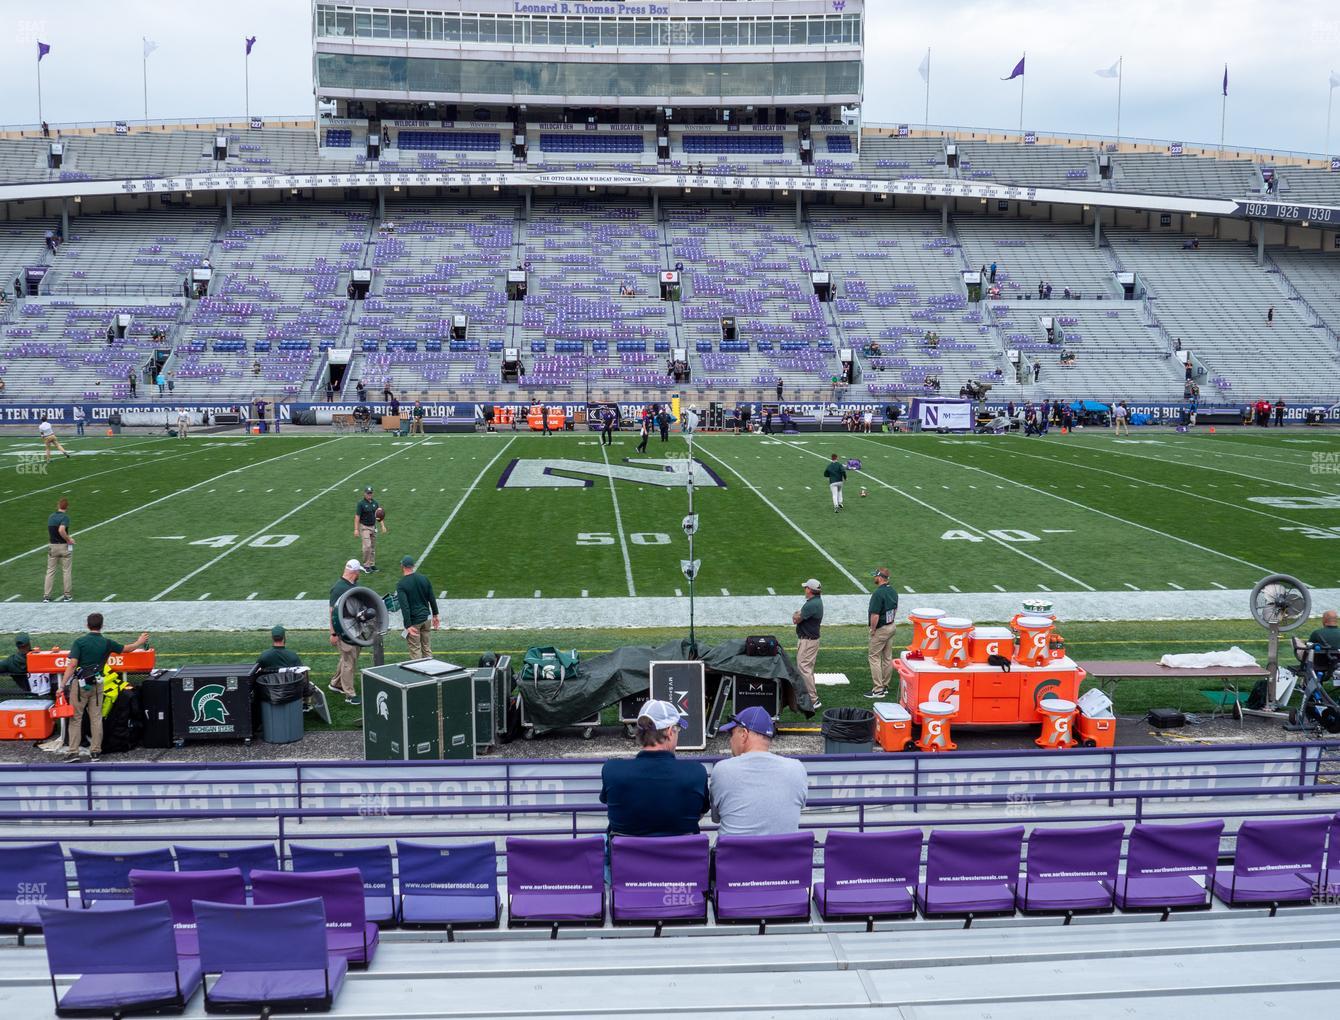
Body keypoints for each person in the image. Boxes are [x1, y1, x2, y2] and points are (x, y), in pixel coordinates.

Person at [599, 700, 709, 838]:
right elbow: (699, 812)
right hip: (680, 858)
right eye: (678, 729)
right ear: (670, 732)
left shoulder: (612, 770)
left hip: (628, 858)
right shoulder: (695, 772)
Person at [60, 614, 150, 763]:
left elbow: (72, 665)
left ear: (87, 625)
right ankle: (95, 751)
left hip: (80, 684)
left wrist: (62, 685)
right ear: (102, 625)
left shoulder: (79, 642)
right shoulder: (106, 643)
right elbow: (127, 649)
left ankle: (73, 752)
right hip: (97, 684)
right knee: (96, 718)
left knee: (76, 719)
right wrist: (139, 641)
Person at [710, 706, 808, 837]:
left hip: (737, 856)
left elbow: (716, 818)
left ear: (744, 734)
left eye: (732, 734)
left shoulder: (722, 769)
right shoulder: (797, 768)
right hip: (783, 856)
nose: (730, 740)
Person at [328, 559, 365, 705]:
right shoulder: (338, 589)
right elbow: (331, 612)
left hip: (354, 629)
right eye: (359, 572)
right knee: (349, 661)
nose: (359, 574)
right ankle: (349, 694)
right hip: (343, 630)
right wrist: (333, 633)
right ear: (354, 572)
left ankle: (335, 683)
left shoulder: (353, 585)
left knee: (348, 658)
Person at [396, 555, 440, 660]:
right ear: (413, 566)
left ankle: (420, 675)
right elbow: (432, 598)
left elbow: (405, 606)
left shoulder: (401, 584)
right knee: (427, 648)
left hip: (414, 622)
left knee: (416, 651)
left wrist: (408, 625)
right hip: (426, 619)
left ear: (402, 566)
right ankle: (430, 672)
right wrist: (435, 615)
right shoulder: (424, 579)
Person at [865, 568, 898, 699]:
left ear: (880, 578)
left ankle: (878, 689)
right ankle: (885, 686)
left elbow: (875, 615)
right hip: (891, 626)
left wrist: (873, 629)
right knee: (887, 657)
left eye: (875, 576)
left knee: (874, 657)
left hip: (881, 629)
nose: (874, 578)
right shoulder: (893, 591)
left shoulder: (878, 594)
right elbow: (895, 609)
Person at [792, 579, 823, 710]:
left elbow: (796, 619)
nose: (805, 589)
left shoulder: (811, 605)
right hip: (810, 640)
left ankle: (813, 700)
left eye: (806, 588)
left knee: (805, 670)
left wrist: (796, 614)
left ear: (810, 590)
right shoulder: (815, 602)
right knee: (806, 669)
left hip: (808, 641)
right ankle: (809, 697)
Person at [43, 497, 74, 603]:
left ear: (58, 506)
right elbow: (61, 530)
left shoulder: (51, 517)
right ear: (67, 507)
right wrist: (69, 539)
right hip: (64, 546)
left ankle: (46, 596)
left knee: (50, 571)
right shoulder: (65, 517)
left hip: (52, 546)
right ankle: (67, 595)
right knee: (66, 571)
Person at [354, 486, 386, 572]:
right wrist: (356, 529)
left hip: (373, 527)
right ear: (364, 493)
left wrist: (383, 526)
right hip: (364, 527)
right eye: (368, 493)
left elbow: (379, 516)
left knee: (372, 546)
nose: (369, 494)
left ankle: (372, 564)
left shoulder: (375, 503)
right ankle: (366, 566)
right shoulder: (361, 504)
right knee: (367, 546)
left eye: (370, 493)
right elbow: (357, 516)